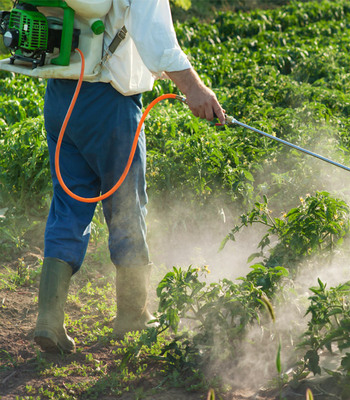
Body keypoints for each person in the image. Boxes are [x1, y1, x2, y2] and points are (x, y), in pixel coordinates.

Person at [34, 0, 226, 354]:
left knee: (68, 203)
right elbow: (156, 37)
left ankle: (48, 318)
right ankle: (133, 314)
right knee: (126, 205)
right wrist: (195, 89)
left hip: (61, 96)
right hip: (109, 104)